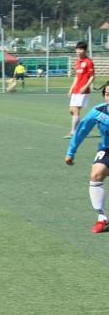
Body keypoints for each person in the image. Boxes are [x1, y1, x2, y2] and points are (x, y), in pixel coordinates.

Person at [65, 81, 109, 233]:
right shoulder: (98, 112)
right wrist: (71, 152)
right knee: (96, 174)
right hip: (107, 150)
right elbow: (82, 130)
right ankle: (102, 218)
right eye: (108, 94)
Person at [65, 41, 95, 139]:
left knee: (76, 110)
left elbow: (92, 76)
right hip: (76, 90)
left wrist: (85, 86)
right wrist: (71, 88)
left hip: (83, 91)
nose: (79, 51)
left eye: (81, 49)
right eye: (78, 49)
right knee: (71, 110)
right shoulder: (77, 62)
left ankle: (73, 132)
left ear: (85, 50)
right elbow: (77, 77)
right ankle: (80, 127)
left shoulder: (88, 62)